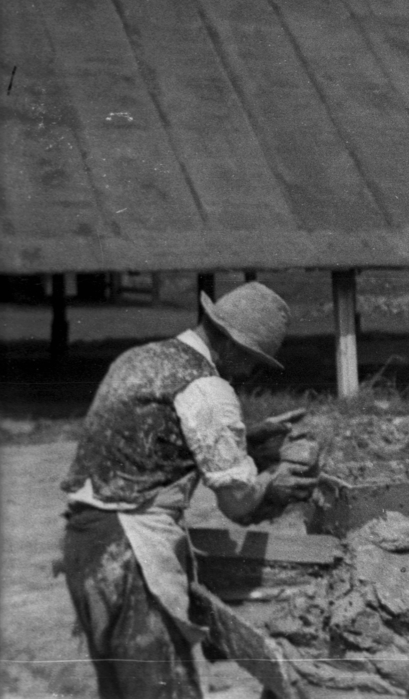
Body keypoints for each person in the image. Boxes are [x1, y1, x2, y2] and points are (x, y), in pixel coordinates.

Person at [59, 281, 317, 699]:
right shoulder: (209, 390)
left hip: (85, 541)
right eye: (253, 362)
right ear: (234, 346)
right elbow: (237, 504)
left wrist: (245, 440)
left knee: (122, 690)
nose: (250, 373)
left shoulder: (140, 358)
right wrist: (274, 483)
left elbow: (154, 442)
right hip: (132, 552)